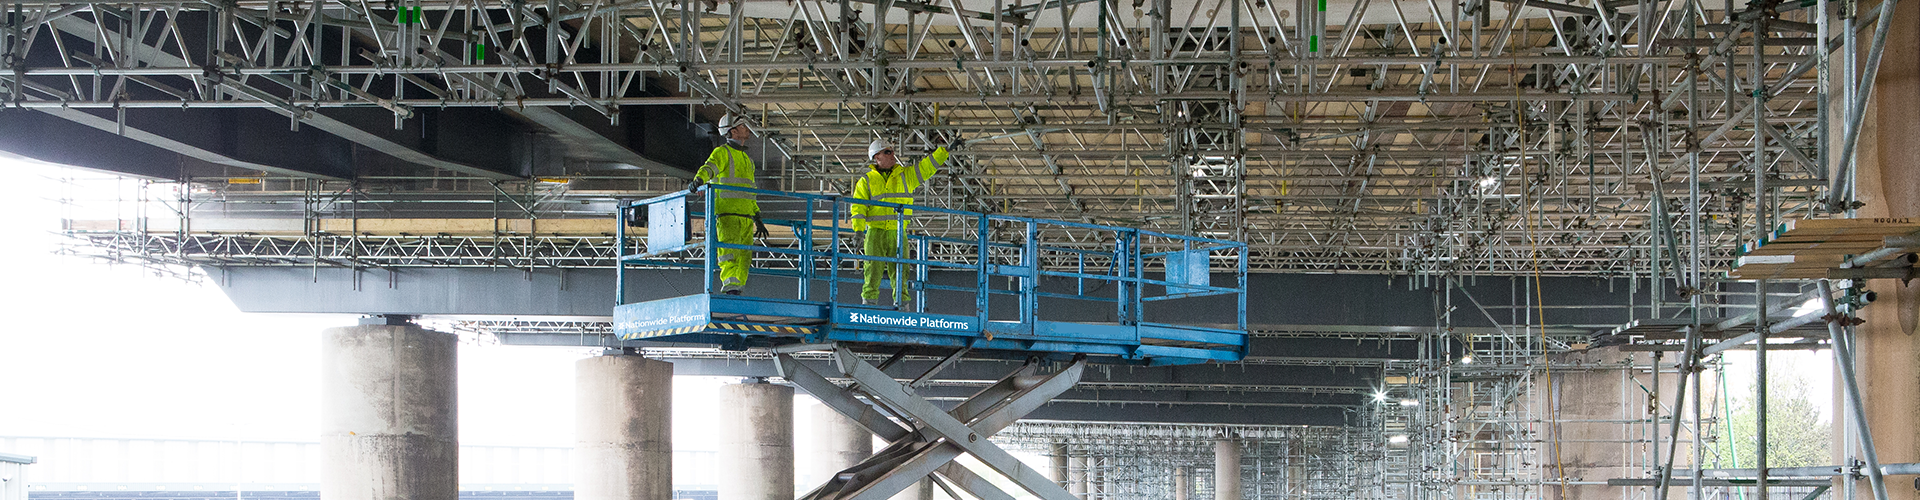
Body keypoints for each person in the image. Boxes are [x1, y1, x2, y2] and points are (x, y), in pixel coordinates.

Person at [849, 136, 961, 307]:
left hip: (898, 232)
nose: (893, 154)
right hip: (875, 231)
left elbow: (927, 167)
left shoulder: (906, 176)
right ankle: (869, 306)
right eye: (887, 152)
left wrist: (945, 151)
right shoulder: (867, 181)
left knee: (901, 271)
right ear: (876, 157)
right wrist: (858, 230)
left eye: (892, 151)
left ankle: (902, 306)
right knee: (872, 270)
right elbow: (858, 208)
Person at [690, 113, 769, 295]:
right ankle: (730, 287)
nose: (746, 129)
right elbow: (709, 168)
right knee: (729, 254)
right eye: (742, 126)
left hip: (746, 218)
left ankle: (737, 289)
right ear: (732, 131)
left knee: (744, 257)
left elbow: (750, 191)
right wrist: (698, 180)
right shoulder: (722, 153)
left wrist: (757, 215)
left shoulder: (747, 160)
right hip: (728, 216)